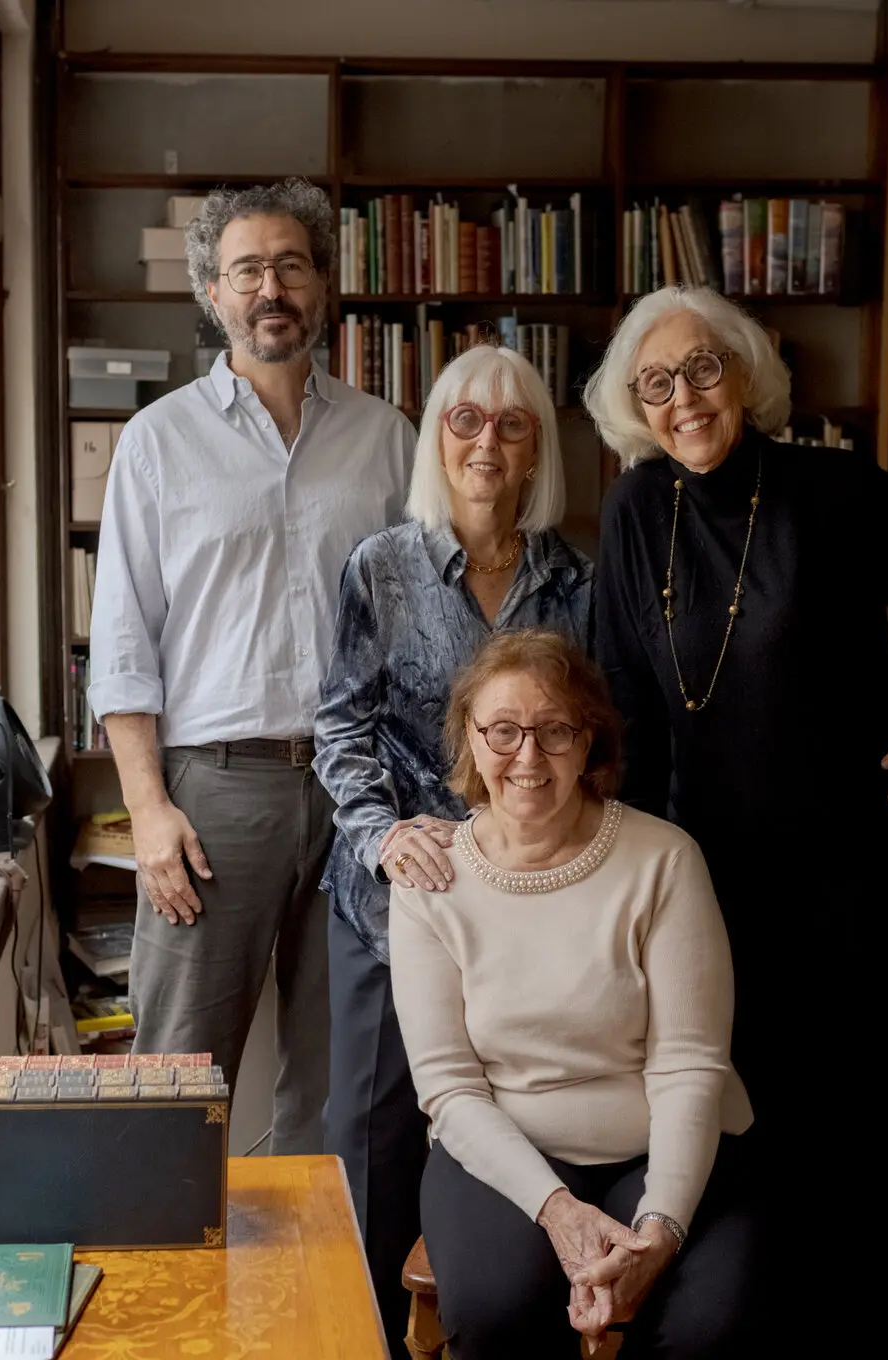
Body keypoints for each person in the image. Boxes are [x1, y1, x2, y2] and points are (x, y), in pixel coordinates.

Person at [580, 285, 888, 1353]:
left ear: (744, 374)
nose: (682, 398)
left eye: (702, 369)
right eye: (655, 382)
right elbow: (616, 700)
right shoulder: (638, 508)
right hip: (698, 885)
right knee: (723, 1138)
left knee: (848, 1143)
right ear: (632, 405)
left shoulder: (827, 489)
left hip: (846, 884)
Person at [87, 178, 415, 1152]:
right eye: (246, 271)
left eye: (289, 265)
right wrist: (148, 811)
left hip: (357, 791)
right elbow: (121, 646)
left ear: (320, 286)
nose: (269, 287)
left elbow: (414, 631)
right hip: (213, 794)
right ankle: (170, 1295)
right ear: (211, 292)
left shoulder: (385, 439)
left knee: (337, 1076)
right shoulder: (155, 443)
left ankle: (308, 1299)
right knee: (178, 1072)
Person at [313, 342, 592, 1345]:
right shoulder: (381, 567)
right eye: (464, 420)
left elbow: (585, 741)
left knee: (514, 1116)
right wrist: (383, 833)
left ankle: (501, 1314)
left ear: (534, 451)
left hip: (525, 904)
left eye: (510, 425)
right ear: (437, 437)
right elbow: (339, 727)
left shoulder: (573, 583)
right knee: (370, 1135)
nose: (485, 442)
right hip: (393, 898)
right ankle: (365, 1336)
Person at [391, 630, 755, 1358]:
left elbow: (689, 1066)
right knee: (498, 1313)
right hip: (502, 1154)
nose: (527, 757)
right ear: (470, 738)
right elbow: (450, 1088)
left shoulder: (664, 861)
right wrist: (557, 1211)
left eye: (555, 730)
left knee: (703, 1328)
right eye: (502, 731)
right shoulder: (429, 879)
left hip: (662, 1147)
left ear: (589, 743)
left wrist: (659, 1229)